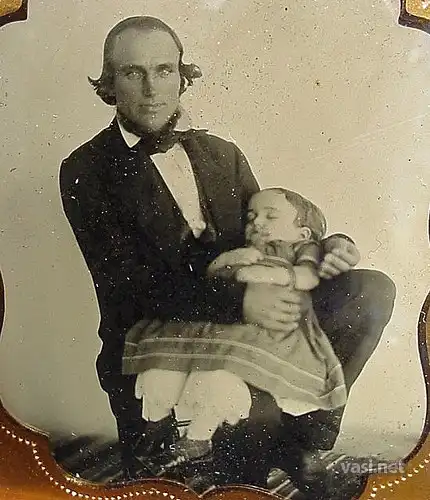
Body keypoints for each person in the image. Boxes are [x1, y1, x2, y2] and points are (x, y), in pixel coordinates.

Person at [59, 15, 396, 493]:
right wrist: (241, 301)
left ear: (182, 76)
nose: (152, 88)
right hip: (156, 338)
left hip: (244, 331)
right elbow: (130, 286)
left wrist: (328, 245)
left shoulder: (223, 153)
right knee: (224, 483)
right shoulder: (86, 168)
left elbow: (271, 235)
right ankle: (246, 440)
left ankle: (305, 442)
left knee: (370, 289)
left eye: (165, 70)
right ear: (110, 84)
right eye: (134, 73)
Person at [122, 188, 348, 469]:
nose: (257, 223)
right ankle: (157, 422)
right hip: (229, 322)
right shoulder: (243, 249)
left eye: (270, 216)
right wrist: (225, 262)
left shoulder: (300, 249)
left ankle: (198, 438)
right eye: (251, 217)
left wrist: (274, 274)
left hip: (273, 323)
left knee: (219, 375)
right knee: (169, 358)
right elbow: (212, 275)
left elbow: (308, 277)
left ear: (302, 233)